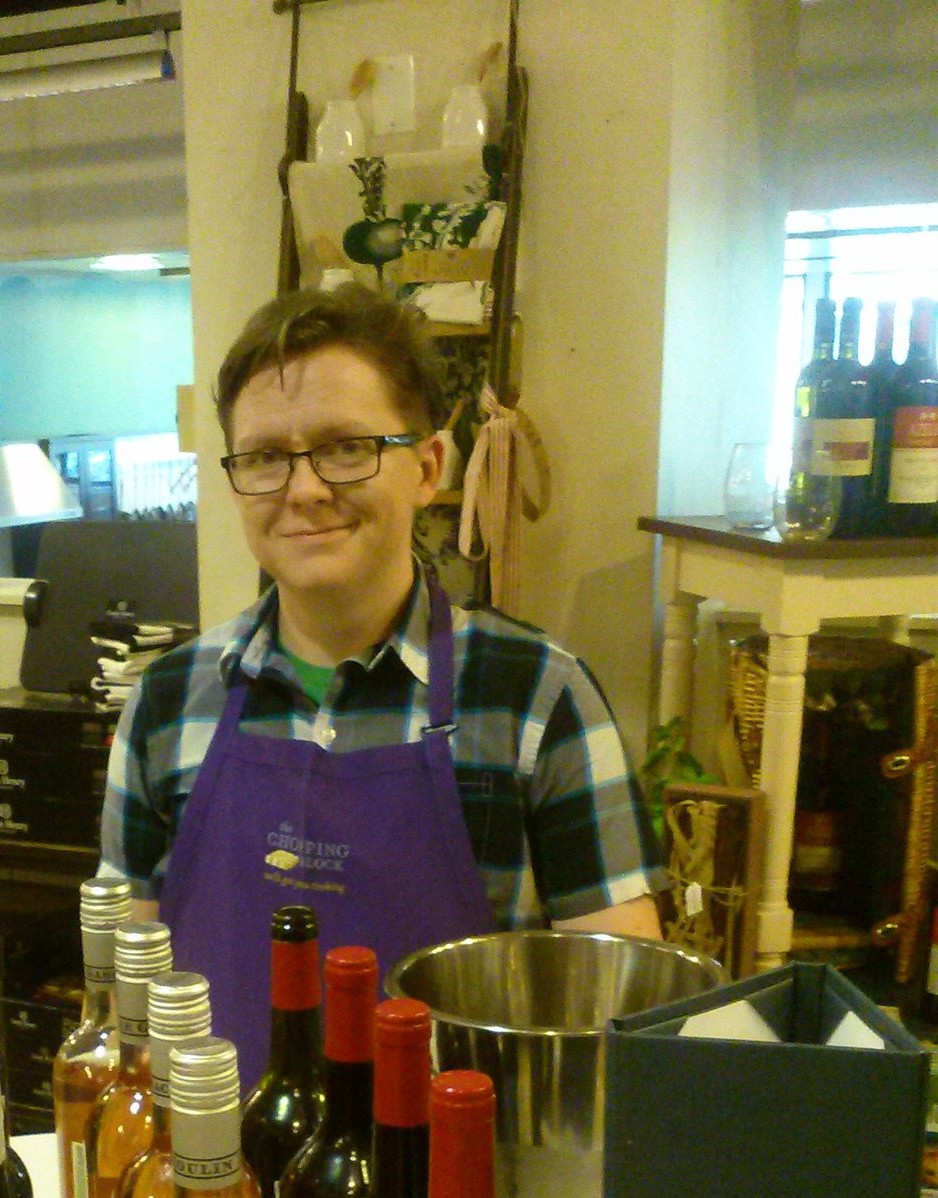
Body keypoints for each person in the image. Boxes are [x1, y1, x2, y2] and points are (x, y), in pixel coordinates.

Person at [99, 283, 667, 1086]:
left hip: (463, 1161)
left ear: (428, 467)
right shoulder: (166, 702)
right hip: (215, 1160)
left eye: (344, 448)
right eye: (264, 458)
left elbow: (622, 1029)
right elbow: (127, 993)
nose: (303, 490)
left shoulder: (538, 699)